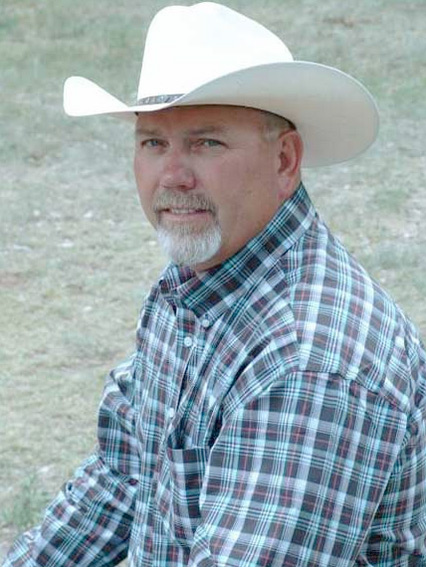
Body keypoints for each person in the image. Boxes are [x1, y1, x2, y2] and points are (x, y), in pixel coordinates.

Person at [4, 2, 426, 566]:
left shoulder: (307, 365)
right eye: (153, 143)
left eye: (207, 143)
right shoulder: (197, 283)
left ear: (284, 159)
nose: (173, 175)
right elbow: (124, 477)